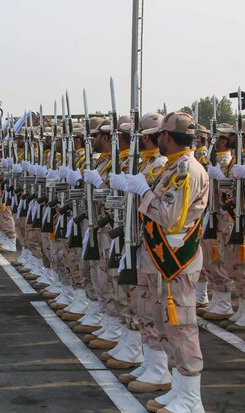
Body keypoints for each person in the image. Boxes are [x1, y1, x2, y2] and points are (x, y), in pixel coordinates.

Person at [111, 112, 208, 412]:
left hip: (177, 260)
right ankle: (179, 389)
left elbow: (170, 217)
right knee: (166, 322)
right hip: (163, 258)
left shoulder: (186, 171)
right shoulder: (174, 168)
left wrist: (143, 191)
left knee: (183, 326)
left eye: (160, 135)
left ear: (167, 137)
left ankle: (191, 398)